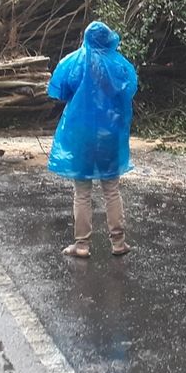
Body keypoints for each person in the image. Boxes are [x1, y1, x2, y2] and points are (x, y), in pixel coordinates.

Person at [47, 21, 139, 258]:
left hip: (82, 133)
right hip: (110, 133)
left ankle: (82, 244)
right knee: (111, 189)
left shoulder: (74, 61)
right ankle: (118, 242)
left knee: (82, 191)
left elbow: (60, 91)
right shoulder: (119, 64)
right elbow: (128, 90)